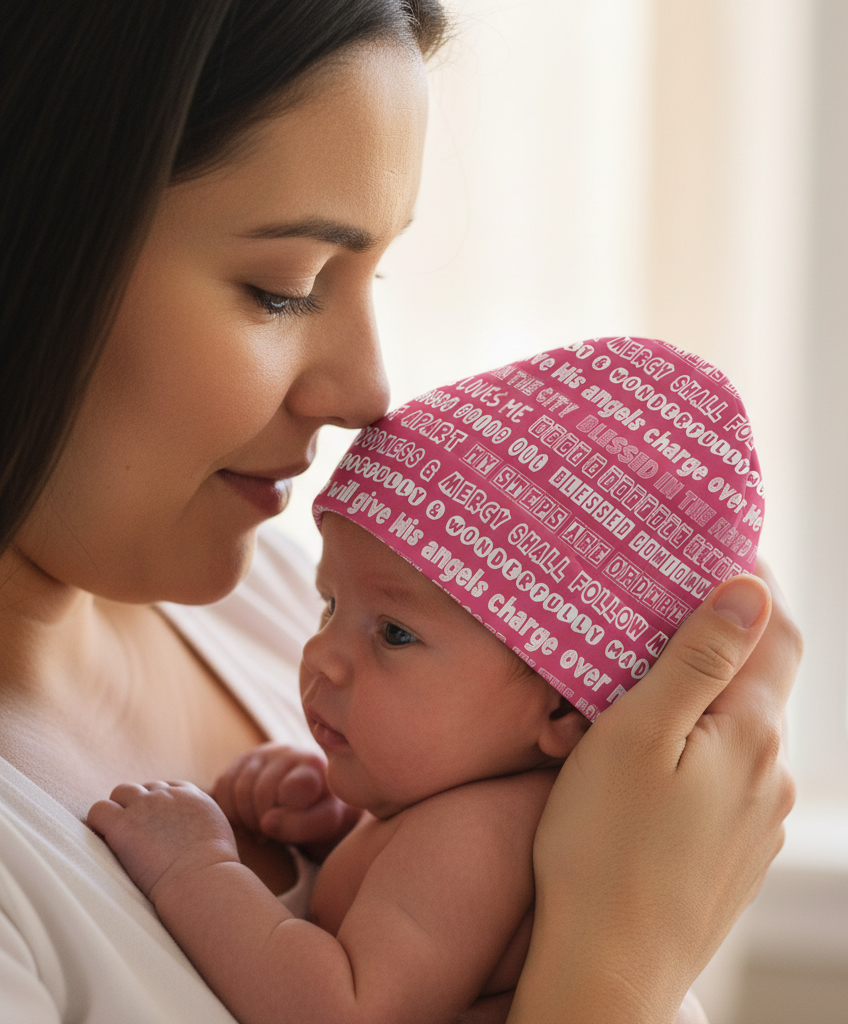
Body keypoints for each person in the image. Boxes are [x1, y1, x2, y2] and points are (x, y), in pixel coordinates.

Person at [0, 2, 801, 1022]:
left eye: (375, 276)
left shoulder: (294, 596)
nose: (372, 391)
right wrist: (615, 972)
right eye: (284, 287)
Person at [87, 339, 766, 1024]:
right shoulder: (473, 804)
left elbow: (345, 1011)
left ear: (562, 707)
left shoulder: (472, 839)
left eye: (394, 633)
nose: (322, 655)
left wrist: (197, 871)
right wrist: (340, 830)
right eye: (330, 606)